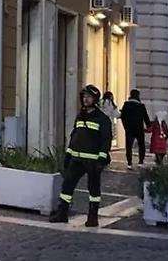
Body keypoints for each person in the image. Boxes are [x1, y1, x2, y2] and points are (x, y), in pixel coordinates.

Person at [50, 84, 112, 228]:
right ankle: (62, 213)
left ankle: (92, 216)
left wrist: (101, 158)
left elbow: (106, 140)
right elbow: (75, 137)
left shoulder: (102, 119)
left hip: (93, 161)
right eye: (84, 96)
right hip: (76, 159)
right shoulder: (80, 116)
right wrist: (68, 154)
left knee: (93, 189)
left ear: (95, 99)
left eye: (89, 97)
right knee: (67, 185)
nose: (85, 99)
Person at [120, 88, 152, 168]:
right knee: (141, 145)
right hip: (139, 128)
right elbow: (146, 117)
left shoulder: (126, 104)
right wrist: (149, 126)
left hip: (129, 129)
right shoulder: (141, 106)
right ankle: (140, 161)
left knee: (129, 146)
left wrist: (125, 126)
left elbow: (123, 116)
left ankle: (129, 163)